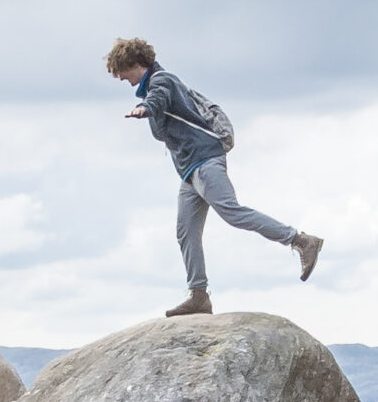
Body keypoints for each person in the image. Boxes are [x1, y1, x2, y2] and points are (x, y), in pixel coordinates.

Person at [105, 37, 322, 316]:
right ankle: (198, 295)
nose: (122, 78)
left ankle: (301, 241)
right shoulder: (156, 86)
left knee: (233, 212)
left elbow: (157, 102)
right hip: (189, 171)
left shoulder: (162, 81)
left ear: (135, 64)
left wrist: (145, 109)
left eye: (122, 71)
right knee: (185, 231)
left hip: (205, 160)